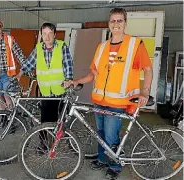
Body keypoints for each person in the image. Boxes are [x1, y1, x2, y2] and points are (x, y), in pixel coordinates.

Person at [65, 8, 153, 180]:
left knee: (111, 134)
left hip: (118, 101)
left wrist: (145, 91)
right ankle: (103, 158)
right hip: (99, 99)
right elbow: (94, 73)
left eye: (120, 20)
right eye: (113, 21)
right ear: (109, 24)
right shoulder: (102, 47)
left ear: (125, 23)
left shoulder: (135, 44)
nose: (116, 24)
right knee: (100, 133)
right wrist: (77, 81)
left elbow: (148, 69)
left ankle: (115, 164)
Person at [16, 22, 73, 148]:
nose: (47, 37)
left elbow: (68, 64)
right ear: (41, 35)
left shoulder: (62, 46)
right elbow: (30, 62)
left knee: (61, 117)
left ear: (55, 35)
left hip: (60, 90)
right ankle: (43, 143)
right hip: (46, 91)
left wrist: (69, 79)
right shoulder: (38, 48)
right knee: (45, 118)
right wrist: (20, 73)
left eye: (50, 34)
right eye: (44, 34)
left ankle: (65, 140)